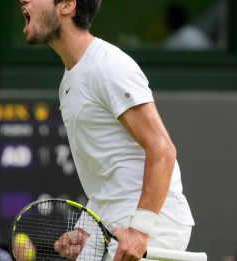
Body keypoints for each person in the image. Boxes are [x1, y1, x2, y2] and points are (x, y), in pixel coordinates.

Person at [18, 0, 195, 261]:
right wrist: (84, 228)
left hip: (152, 222)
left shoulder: (108, 65)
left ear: (66, 5)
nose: (24, 0)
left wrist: (140, 229)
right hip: (113, 217)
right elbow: (107, 173)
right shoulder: (70, 79)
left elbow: (162, 149)